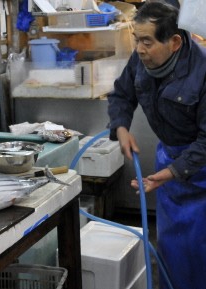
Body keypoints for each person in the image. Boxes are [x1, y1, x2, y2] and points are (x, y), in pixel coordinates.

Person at [107, 1, 206, 289]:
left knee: (200, 251)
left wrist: (175, 172)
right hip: (168, 167)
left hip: (200, 170)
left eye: (147, 41)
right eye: (136, 39)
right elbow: (121, 95)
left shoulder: (202, 73)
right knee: (172, 249)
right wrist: (120, 126)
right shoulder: (142, 58)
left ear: (174, 42)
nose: (139, 49)